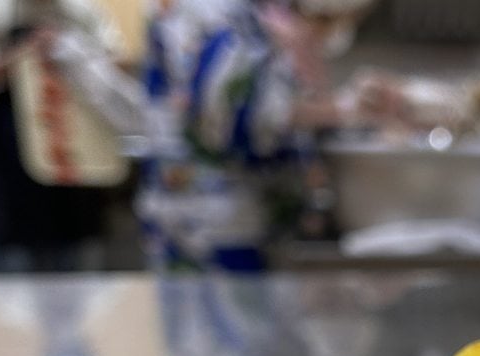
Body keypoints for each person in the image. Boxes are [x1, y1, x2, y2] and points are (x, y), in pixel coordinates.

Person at [138, 0, 397, 272]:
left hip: (200, 211)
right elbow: (240, 113)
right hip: (218, 221)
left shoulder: (245, 14)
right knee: (226, 307)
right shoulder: (220, 13)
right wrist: (343, 110)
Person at [0, 0, 130, 271]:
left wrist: (72, 50)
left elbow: (119, 63)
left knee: (80, 258)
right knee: (16, 260)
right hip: (12, 152)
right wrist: (26, 54)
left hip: (78, 150)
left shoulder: (82, 10)